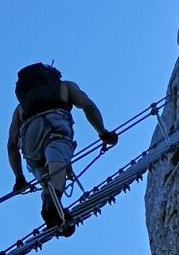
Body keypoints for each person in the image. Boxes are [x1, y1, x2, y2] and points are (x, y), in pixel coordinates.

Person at [8, 65, 118, 236]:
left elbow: (11, 145)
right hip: (55, 125)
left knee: (43, 173)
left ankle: (50, 204)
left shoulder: (21, 108)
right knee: (57, 153)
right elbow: (88, 107)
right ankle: (54, 201)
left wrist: (19, 178)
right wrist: (103, 132)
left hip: (29, 138)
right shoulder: (65, 87)